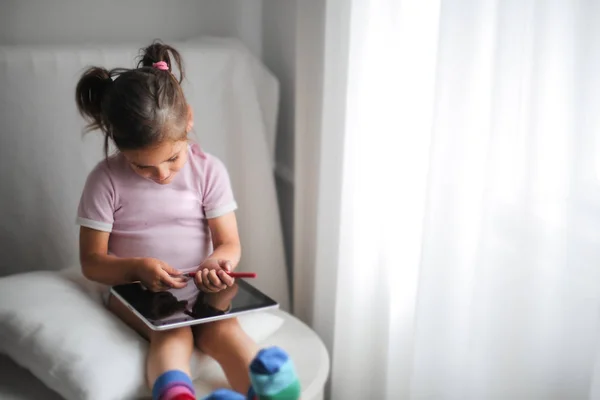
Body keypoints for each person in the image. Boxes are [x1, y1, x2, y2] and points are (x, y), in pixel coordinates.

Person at [75, 41, 299, 400]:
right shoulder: (105, 181)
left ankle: (266, 391)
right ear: (118, 145)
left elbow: (228, 243)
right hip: (137, 291)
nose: (162, 174)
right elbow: (92, 263)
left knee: (221, 329)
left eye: (173, 159)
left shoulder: (209, 171)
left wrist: (216, 263)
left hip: (201, 285)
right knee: (174, 331)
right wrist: (138, 268)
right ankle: (177, 395)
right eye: (142, 166)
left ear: (188, 120)